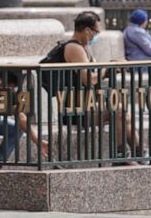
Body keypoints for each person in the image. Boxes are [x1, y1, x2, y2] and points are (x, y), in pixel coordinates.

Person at [56, 11, 141, 162]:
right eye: (96, 31)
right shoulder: (74, 48)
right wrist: (108, 67)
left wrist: (110, 68)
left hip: (84, 104)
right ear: (87, 30)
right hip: (75, 110)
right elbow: (89, 80)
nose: (96, 35)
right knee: (119, 110)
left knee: (124, 115)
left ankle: (139, 153)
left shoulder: (83, 47)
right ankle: (124, 156)